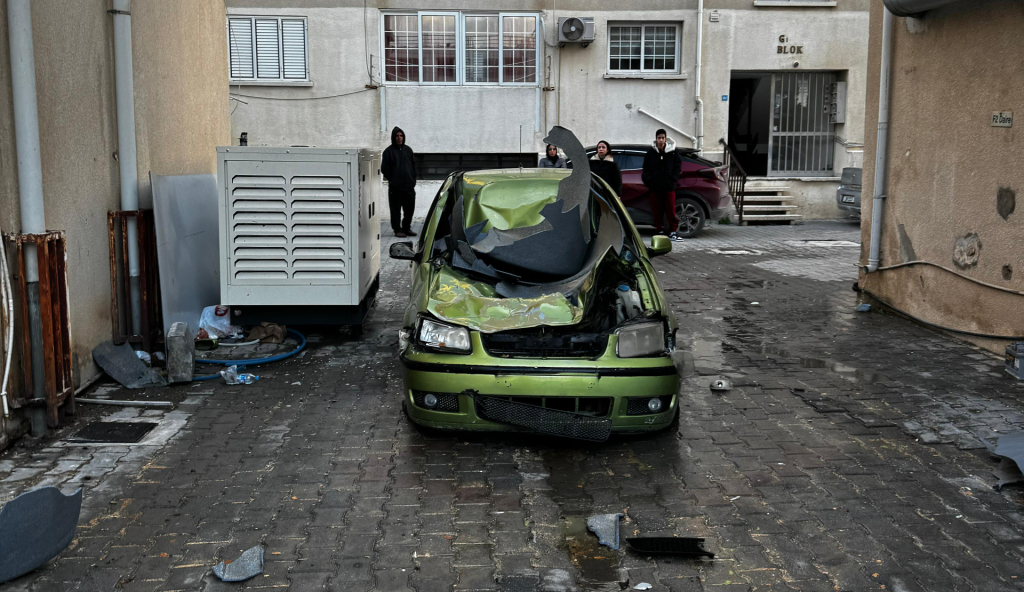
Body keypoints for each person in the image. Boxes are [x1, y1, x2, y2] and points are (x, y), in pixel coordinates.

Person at [642, 128, 683, 241]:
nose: (661, 140)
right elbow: (645, 169)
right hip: (655, 187)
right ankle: (659, 229)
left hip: (668, 186)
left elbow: (677, 166)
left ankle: (673, 231)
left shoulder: (673, 152)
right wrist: (649, 180)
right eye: (659, 138)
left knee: (670, 210)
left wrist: (673, 179)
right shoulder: (651, 153)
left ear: (665, 139)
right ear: (656, 139)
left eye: (662, 138)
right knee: (657, 210)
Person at [381, 126, 417, 237]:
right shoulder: (388, 152)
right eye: (397, 136)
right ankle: (397, 230)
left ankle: (406, 228)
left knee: (409, 209)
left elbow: (414, 166)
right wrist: (393, 180)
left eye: (401, 136)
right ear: (393, 137)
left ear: (403, 137)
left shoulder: (408, 150)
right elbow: (384, 169)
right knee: (395, 210)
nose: (399, 138)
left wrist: (413, 179)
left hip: (409, 187)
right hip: (395, 188)